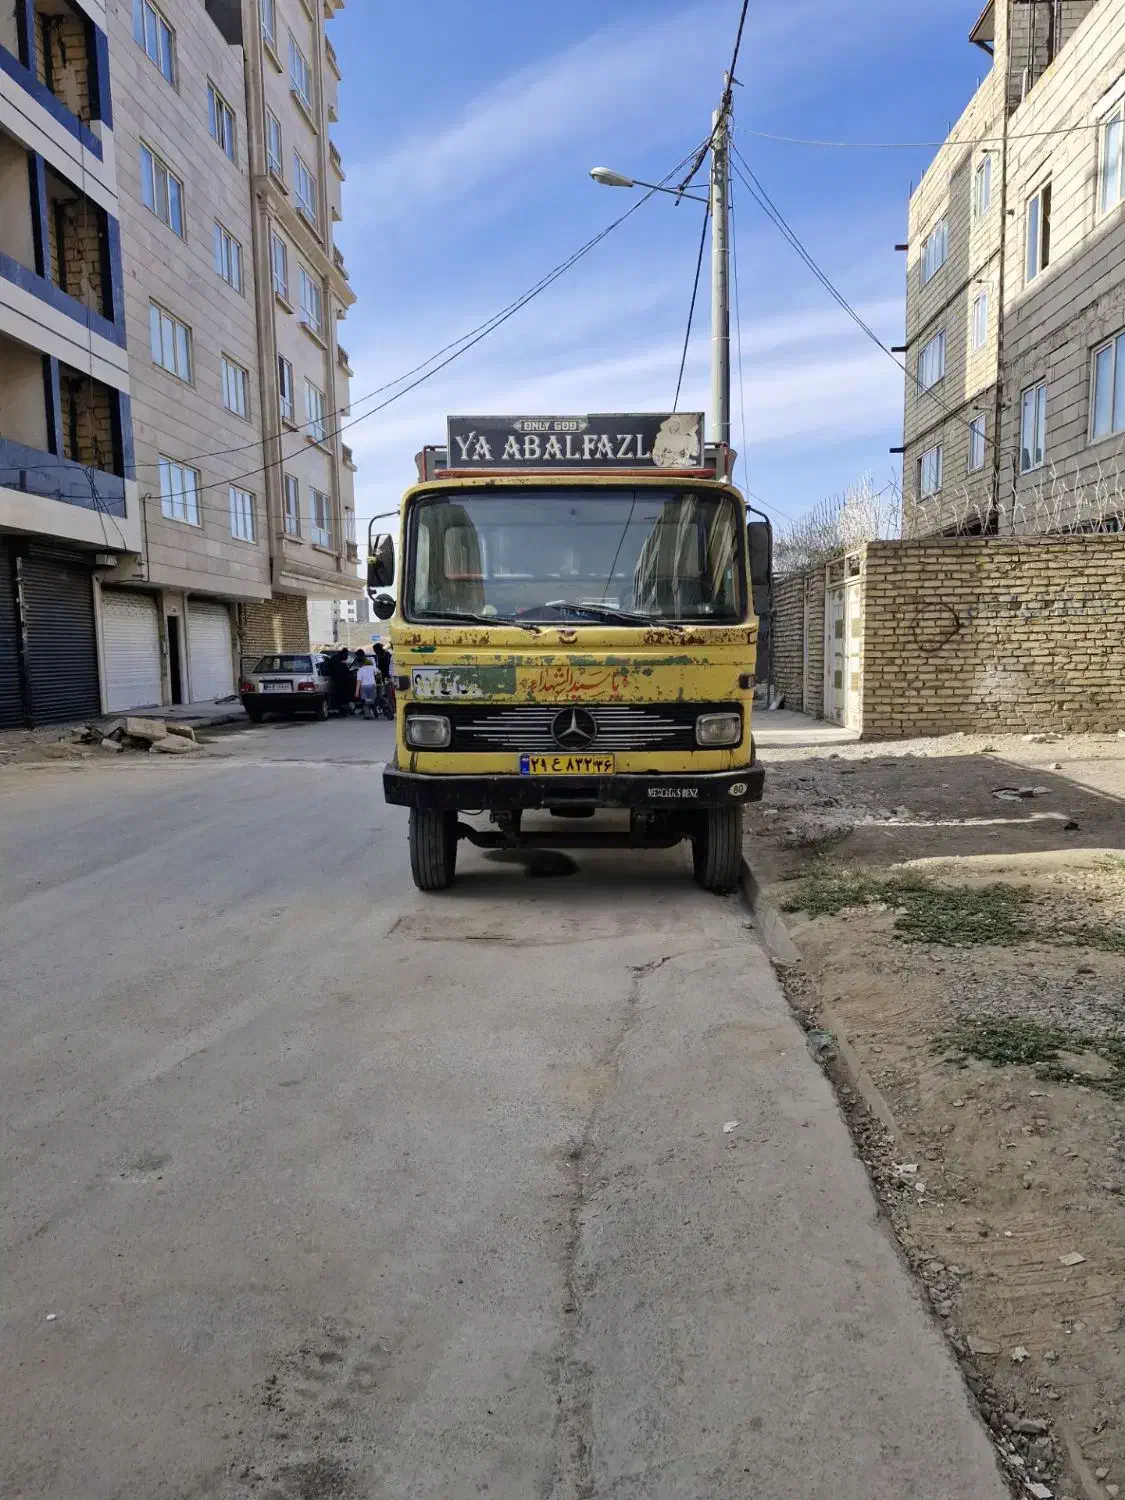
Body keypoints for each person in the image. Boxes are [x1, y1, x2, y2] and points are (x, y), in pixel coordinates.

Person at [354, 652, 378, 719]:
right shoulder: (371, 667)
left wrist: (357, 692)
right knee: (372, 700)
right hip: (372, 686)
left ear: (360, 663)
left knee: (365, 701)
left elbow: (359, 682)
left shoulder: (359, 671)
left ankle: (367, 715)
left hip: (364, 687)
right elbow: (379, 672)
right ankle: (375, 711)